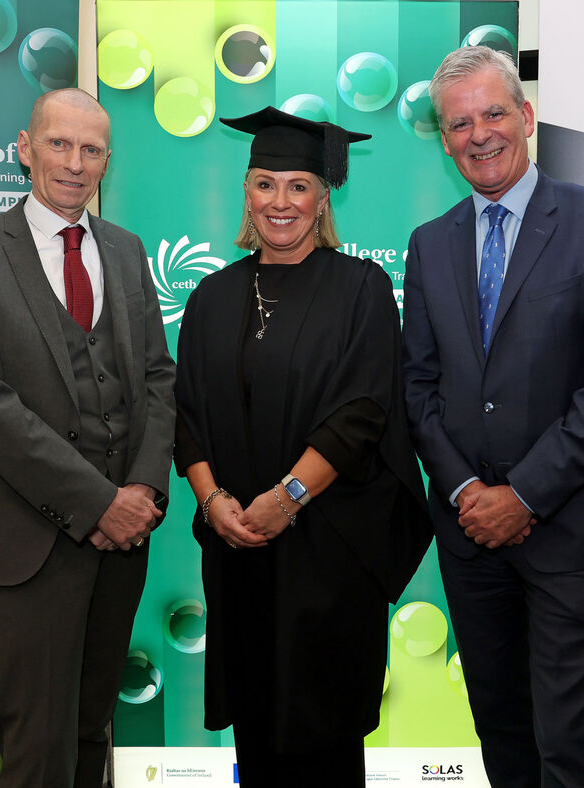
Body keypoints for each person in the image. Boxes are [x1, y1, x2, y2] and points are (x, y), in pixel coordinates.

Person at [401, 47, 584, 787]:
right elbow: (418, 387)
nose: (479, 135)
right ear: (444, 139)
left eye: (493, 114)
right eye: (459, 123)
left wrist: (525, 496)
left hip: (573, 537)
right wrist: (466, 495)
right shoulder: (430, 242)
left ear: (527, 117)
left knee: (566, 749)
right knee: (502, 737)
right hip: (470, 540)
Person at [173, 106, 431, 788]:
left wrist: (285, 501)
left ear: (322, 198)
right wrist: (213, 502)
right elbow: (186, 411)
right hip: (239, 549)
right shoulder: (211, 296)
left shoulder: (361, 289)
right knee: (257, 724)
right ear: (247, 193)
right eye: (264, 183)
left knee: (322, 731)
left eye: (297, 186)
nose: (279, 201)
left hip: (326, 548)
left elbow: (363, 410)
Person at [0, 88, 175, 787]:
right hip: (29, 544)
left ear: (107, 161)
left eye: (91, 149)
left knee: (94, 725)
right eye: (59, 144)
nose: (75, 162)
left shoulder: (125, 250)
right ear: (24, 148)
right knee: (36, 745)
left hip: (124, 542)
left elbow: (158, 377)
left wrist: (144, 491)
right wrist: (100, 503)